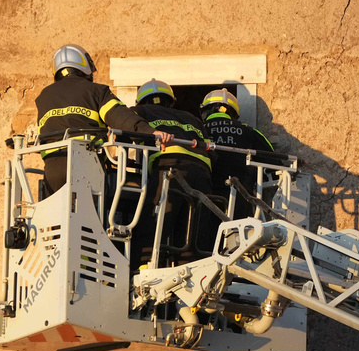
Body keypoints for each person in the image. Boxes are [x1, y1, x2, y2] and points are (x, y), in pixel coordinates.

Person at [33, 44, 171, 195]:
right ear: (84, 65)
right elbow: (121, 117)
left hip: (52, 169)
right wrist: (151, 132)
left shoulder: (43, 97)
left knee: (56, 209)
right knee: (91, 209)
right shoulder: (96, 91)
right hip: (85, 165)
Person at [130, 79, 214, 265]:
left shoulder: (139, 112)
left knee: (155, 225)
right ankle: (194, 273)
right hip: (202, 173)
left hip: (169, 170)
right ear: (171, 101)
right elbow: (212, 152)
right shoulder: (192, 118)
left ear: (141, 100)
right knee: (193, 233)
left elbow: (127, 126)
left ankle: (144, 269)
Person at [199, 88, 276, 218]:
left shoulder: (197, 130)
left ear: (205, 111)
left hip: (204, 195)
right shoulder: (249, 131)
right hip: (239, 197)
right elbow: (273, 161)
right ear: (234, 112)